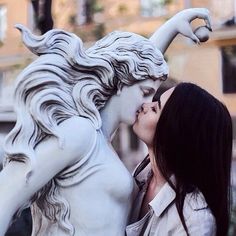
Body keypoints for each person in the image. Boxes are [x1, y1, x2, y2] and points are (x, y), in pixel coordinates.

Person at [0, 9, 211, 236]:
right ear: (120, 81)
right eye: (146, 93)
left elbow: (137, 66)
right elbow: (5, 195)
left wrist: (171, 28)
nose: (146, 103)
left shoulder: (98, 135)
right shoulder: (81, 132)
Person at [126, 82, 232, 236]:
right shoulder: (142, 175)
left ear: (176, 132)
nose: (145, 105)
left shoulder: (194, 222)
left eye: (155, 109)